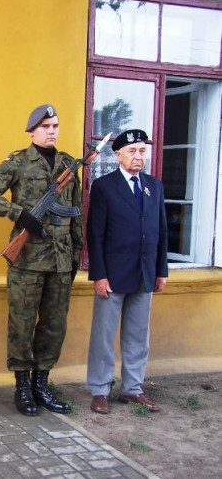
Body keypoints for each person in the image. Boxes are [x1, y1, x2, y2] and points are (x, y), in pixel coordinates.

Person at [0, 104, 83, 417]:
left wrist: (77, 252)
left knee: (54, 325)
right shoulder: (18, 162)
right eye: (46, 126)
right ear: (32, 130)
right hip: (27, 260)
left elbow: (77, 212)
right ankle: (22, 386)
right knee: (22, 323)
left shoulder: (68, 164)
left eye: (55, 126)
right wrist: (17, 213)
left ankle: (42, 384)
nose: (52, 131)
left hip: (61, 261)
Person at [87, 129, 168, 414]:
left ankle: (132, 389)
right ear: (118, 154)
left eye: (142, 150)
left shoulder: (154, 186)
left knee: (137, 336)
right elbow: (95, 234)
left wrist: (161, 271)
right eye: (132, 151)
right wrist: (99, 275)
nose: (138, 156)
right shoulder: (105, 187)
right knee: (104, 337)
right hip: (113, 274)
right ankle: (100, 390)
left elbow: (161, 231)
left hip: (145, 273)